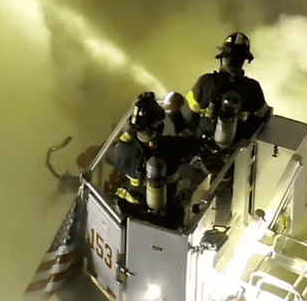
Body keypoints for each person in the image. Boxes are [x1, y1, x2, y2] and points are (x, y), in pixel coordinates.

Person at [108, 93, 196, 229]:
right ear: (159, 125)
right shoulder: (173, 147)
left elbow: (111, 150)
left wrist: (133, 128)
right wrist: (176, 114)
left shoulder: (123, 151)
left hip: (132, 213)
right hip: (167, 218)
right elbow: (194, 145)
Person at [185, 32, 272, 149]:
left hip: (201, 148)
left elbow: (189, 115)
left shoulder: (206, 82)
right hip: (236, 153)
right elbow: (262, 118)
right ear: (244, 60)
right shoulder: (252, 88)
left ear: (222, 58)